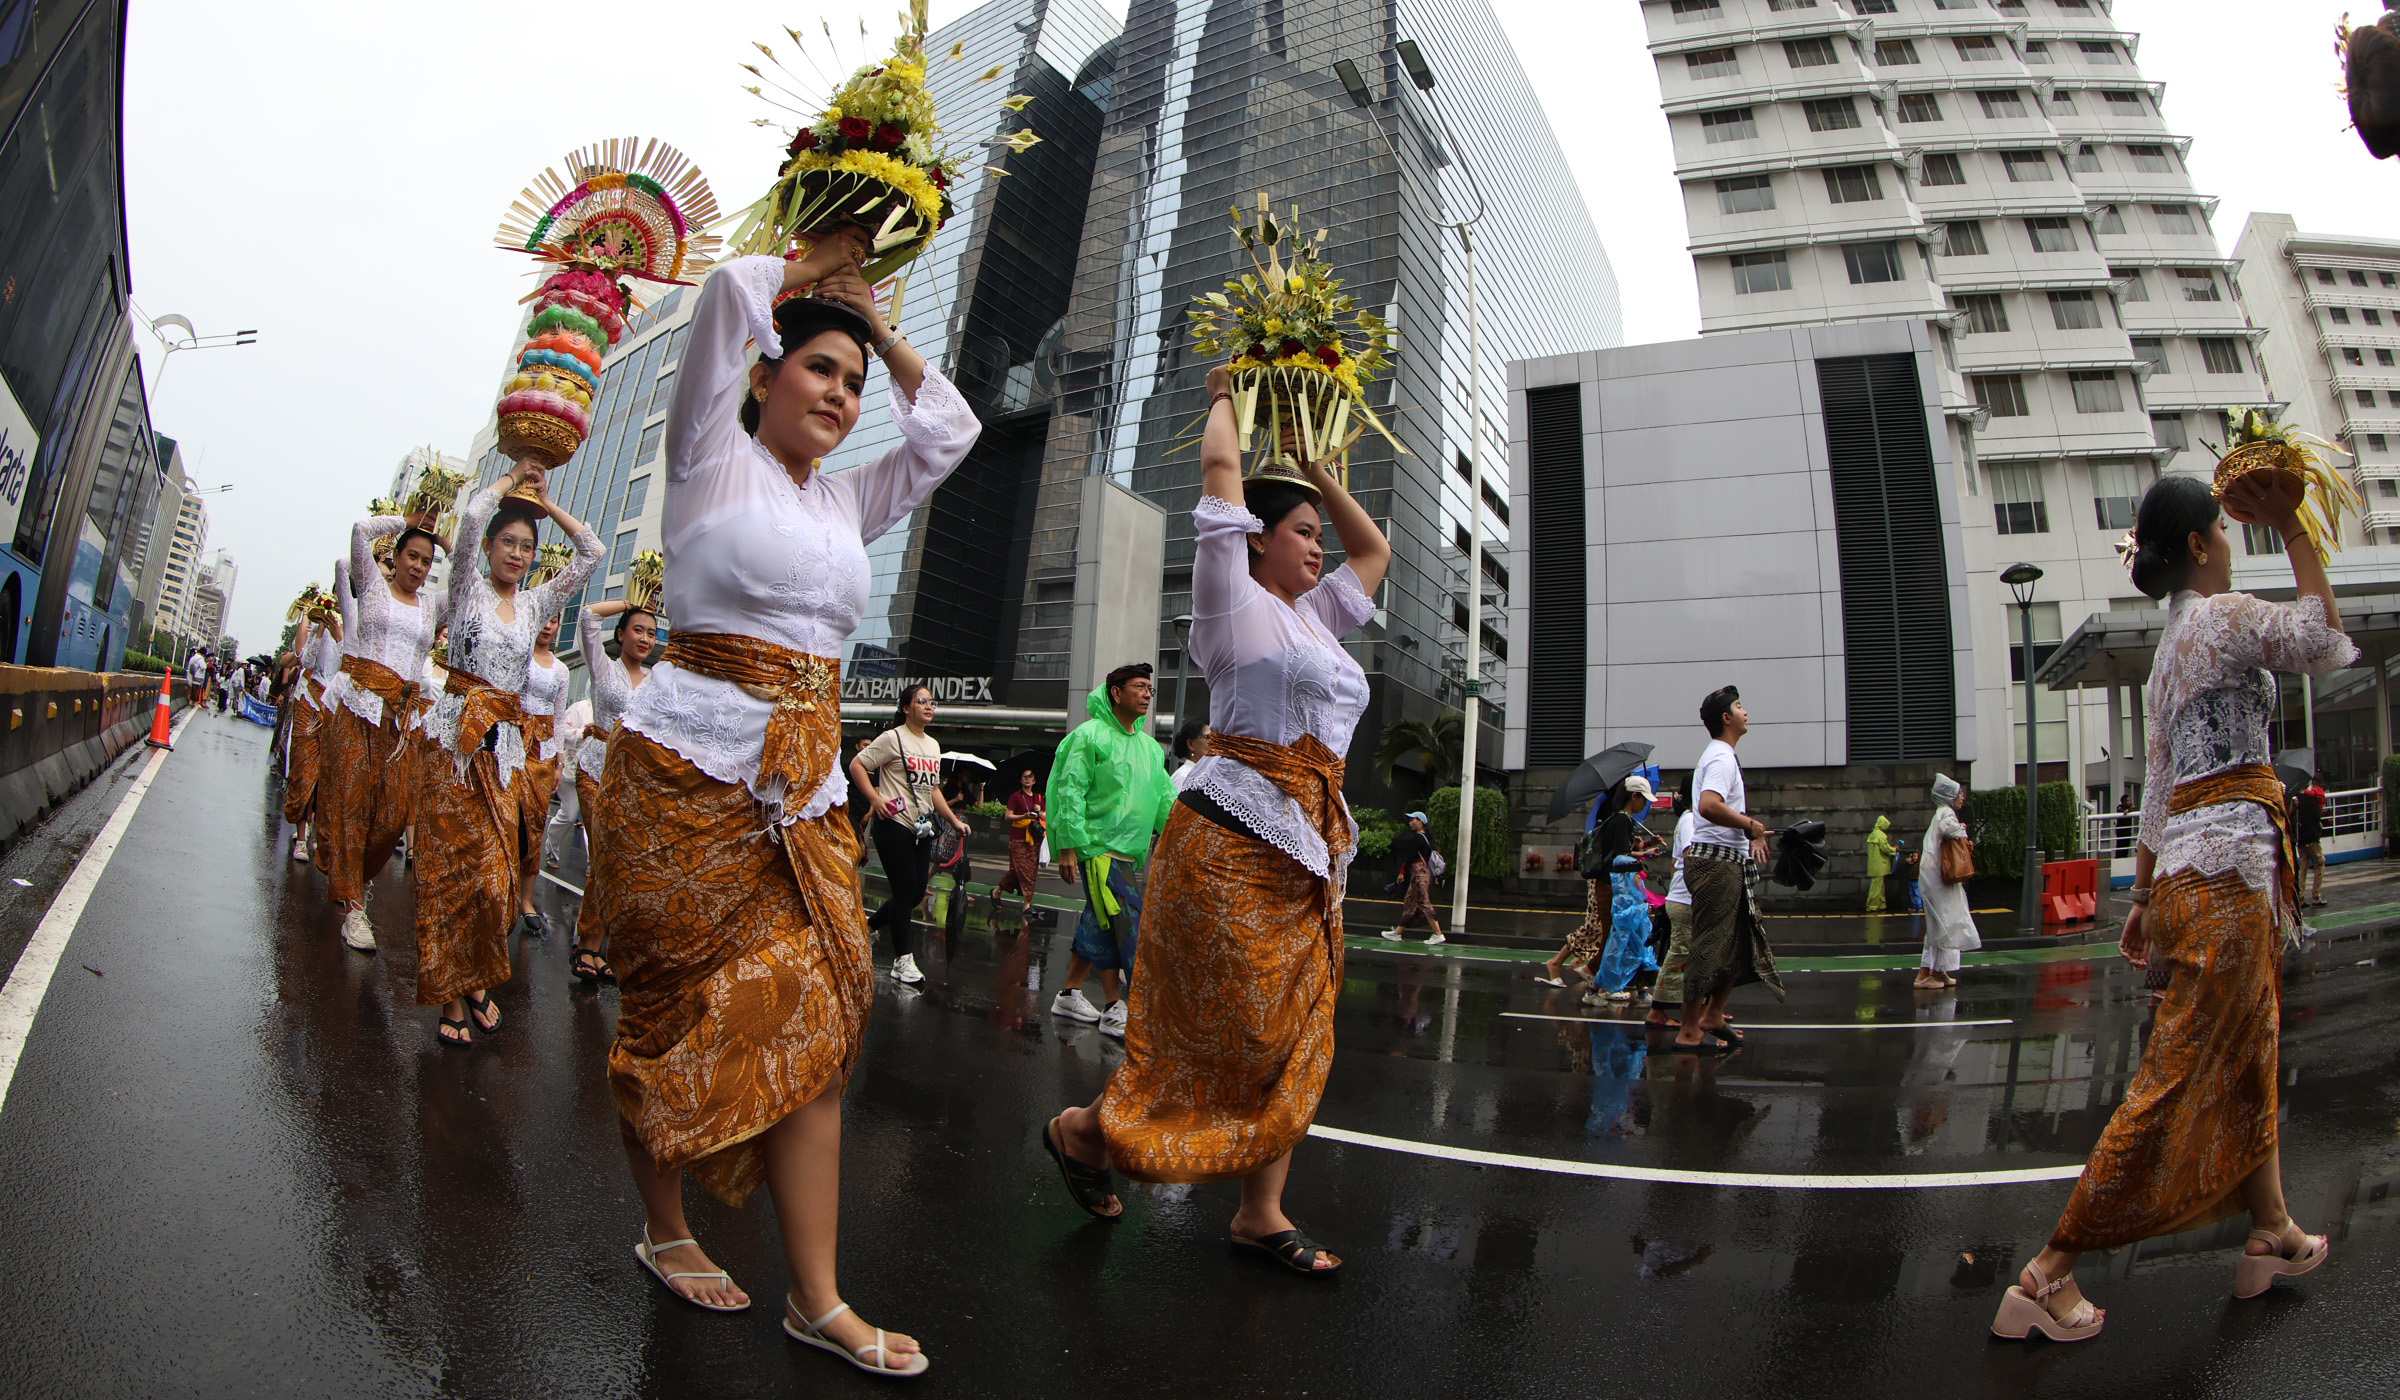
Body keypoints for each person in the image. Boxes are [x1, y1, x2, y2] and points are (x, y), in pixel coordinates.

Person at [584, 227, 975, 1372]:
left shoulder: (845, 505)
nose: (843, 397)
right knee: (666, 1009)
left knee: (819, 1010)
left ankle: (818, 1294)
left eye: (854, 385)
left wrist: (878, 329)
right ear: (763, 370)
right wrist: (819, 270)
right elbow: (722, 293)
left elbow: (948, 431)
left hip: (800, 791)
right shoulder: (709, 453)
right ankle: (666, 1225)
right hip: (682, 776)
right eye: (819, 368)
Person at [1044, 361, 1390, 1276]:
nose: (1318, 548)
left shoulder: (1317, 619)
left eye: (1318, 535)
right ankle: (1085, 1132)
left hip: (1308, 851)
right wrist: (1226, 398)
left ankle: (1261, 1213)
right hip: (1229, 841)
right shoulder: (1231, 606)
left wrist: (1320, 474)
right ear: (1258, 542)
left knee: (1294, 1029)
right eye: (1302, 533)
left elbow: (1376, 556)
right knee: (1221, 1032)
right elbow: (1220, 484)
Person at [1996, 472, 2347, 1342]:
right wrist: (2295, 523)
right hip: (2231, 876)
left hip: (2193, 873)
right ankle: (2047, 1274)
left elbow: (2156, 791)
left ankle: (2272, 1231)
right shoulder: (2222, 619)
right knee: (2181, 1072)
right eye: (2226, 532)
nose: (2232, 544)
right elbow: (2318, 636)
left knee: (2248, 1050)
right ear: (2199, 547)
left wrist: (2144, 894)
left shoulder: (2166, 661)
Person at [413, 465, 602, 1047]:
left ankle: (473, 976)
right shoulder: (465, 587)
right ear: (489, 548)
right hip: (453, 744)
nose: (517, 554)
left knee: (495, 882)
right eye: (508, 543)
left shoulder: (537, 601)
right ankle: (451, 992)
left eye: (527, 546)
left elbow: (591, 552)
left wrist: (547, 500)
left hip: (505, 751)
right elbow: (470, 514)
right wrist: (510, 479)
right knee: (450, 875)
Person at [317, 516, 447, 952]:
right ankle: (356, 908)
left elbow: (472, 585)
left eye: (428, 561)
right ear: (394, 556)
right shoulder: (371, 584)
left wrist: (443, 536)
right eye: (412, 555)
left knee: (391, 821)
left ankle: (350, 875)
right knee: (352, 808)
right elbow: (357, 531)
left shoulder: (432, 606)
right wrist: (413, 520)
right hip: (357, 713)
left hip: (401, 726)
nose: (419, 566)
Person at [1045, 663, 1175, 1037]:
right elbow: (1069, 790)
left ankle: (1069, 993)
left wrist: (1182, 839)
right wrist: (1068, 845)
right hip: (1095, 847)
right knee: (1124, 920)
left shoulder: (1151, 749)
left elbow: (1166, 800)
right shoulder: (1090, 736)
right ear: (1116, 693)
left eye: (1150, 688)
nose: (1148, 693)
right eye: (1139, 686)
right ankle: (1118, 1005)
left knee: (1099, 919)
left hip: (1128, 853)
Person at [1673, 685, 1783, 1053]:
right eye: (1739, 706)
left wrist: (1748, 833)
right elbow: (1708, 806)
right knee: (1707, 947)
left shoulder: (1722, 756)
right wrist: (1749, 824)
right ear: (1726, 718)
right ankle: (1689, 1030)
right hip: (1717, 863)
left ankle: (1714, 1014)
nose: (1745, 711)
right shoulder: (1720, 758)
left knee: (1740, 944)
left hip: (1728, 861)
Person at [850, 683, 971, 986]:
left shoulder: (932, 745)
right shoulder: (892, 738)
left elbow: (932, 790)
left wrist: (953, 820)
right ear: (906, 708)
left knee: (917, 892)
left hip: (922, 827)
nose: (929, 706)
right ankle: (902, 960)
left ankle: (869, 927)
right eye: (922, 701)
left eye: (932, 702)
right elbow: (857, 765)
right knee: (905, 890)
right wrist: (875, 799)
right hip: (893, 825)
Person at [569, 598, 657, 985]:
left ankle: (594, 945)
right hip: (593, 770)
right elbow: (588, 616)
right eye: (637, 629)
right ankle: (586, 945)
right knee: (603, 854)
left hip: (631, 781)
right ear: (620, 634)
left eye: (652, 633)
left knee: (615, 863)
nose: (644, 638)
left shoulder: (658, 680)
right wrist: (631, 602)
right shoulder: (603, 667)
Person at [515, 612, 571, 940]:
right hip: (511, 743)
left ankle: (526, 900)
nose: (548, 627)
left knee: (535, 825)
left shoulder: (562, 669)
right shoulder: (518, 655)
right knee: (507, 820)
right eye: (544, 619)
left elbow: (560, 716)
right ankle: (499, 891)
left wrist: (560, 762)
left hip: (543, 753)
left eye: (555, 621)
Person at [1646, 778, 1699, 1031]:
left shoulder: (1691, 818)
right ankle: (1657, 1010)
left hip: (1684, 896)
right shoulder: (1690, 819)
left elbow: (1675, 862)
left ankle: (1704, 1010)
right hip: (1687, 897)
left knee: (1687, 954)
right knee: (1679, 954)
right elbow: (1689, 858)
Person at [1916, 777, 1978, 990]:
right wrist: (1962, 829)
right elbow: (1949, 829)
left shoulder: (1940, 813)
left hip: (1934, 877)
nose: (1962, 797)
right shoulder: (1946, 813)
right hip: (1938, 879)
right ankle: (1927, 973)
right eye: (1959, 793)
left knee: (1940, 924)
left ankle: (1937, 970)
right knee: (1943, 922)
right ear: (1950, 796)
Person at [1379, 811, 1446, 946]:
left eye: (1412, 820)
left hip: (1419, 874)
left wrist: (1402, 872)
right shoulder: (1428, 839)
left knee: (1423, 901)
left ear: (1420, 821)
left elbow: (1409, 857)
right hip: (1422, 874)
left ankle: (1438, 934)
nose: (1410, 823)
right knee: (1410, 902)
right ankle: (1398, 933)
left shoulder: (1419, 838)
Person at [993, 767, 1046, 924]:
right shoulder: (1016, 797)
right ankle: (1025, 904)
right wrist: (1024, 815)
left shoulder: (1039, 797)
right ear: (1021, 780)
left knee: (1029, 870)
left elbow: (1046, 815)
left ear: (1035, 781)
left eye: (1030, 777)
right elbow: (1008, 816)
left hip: (1034, 838)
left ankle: (1002, 893)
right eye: (1024, 776)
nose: (1027, 779)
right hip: (1018, 837)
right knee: (1020, 867)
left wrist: (1040, 812)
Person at [2292, 773, 2327, 908]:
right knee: (2320, 862)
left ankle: (2300, 898)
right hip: (2311, 837)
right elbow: (2316, 816)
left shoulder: (2295, 800)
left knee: (2303, 867)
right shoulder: (2311, 799)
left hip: (2300, 838)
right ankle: (2316, 896)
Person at [1169, 717, 1213, 792]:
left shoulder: (1204, 774)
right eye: (1208, 737)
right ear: (1190, 744)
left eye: (1214, 738)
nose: (1212, 742)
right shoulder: (1182, 776)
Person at [1865, 814, 1894, 913]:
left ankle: (1881, 904)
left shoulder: (1873, 834)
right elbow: (1886, 848)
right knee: (1876, 887)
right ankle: (1872, 905)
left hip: (1874, 865)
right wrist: (1895, 849)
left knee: (1880, 886)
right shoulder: (1881, 835)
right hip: (1880, 864)